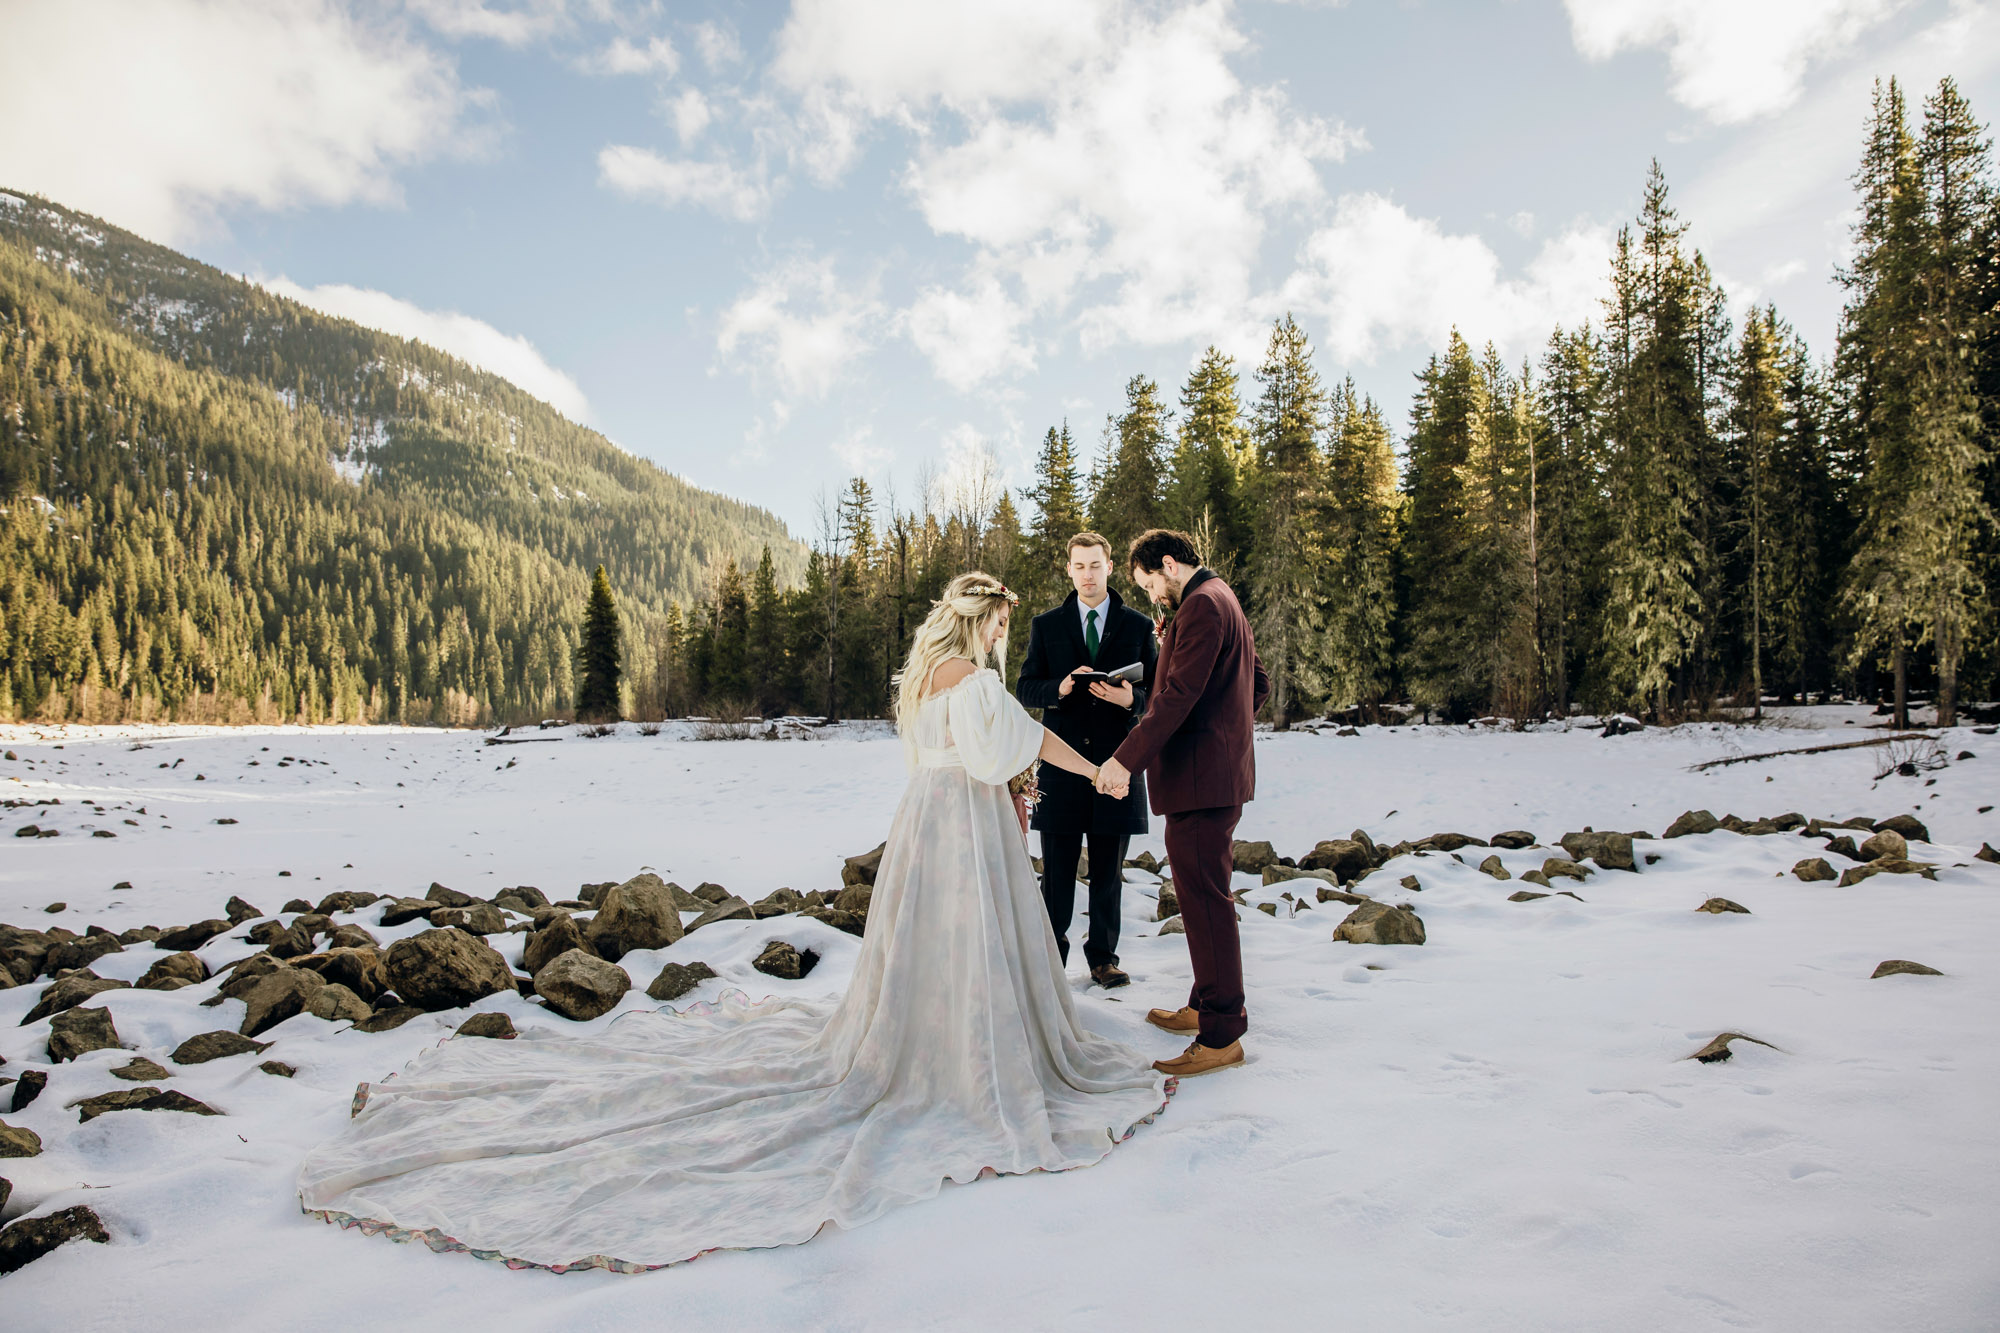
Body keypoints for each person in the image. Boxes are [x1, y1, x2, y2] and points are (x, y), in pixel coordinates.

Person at [296, 573, 1169, 1274]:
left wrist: (1018, 768)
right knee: (973, 937)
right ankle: (974, 1054)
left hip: (922, 821)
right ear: (984, 625)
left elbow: (957, 749)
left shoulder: (918, 684)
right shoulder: (978, 681)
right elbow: (1012, 743)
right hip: (967, 824)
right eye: (999, 627)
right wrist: (1088, 769)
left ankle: (924, 1037)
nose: (1000, 640)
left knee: (919, 945)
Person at [1095, 530, 1268, 1080]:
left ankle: (1221, 1033)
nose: (1152, 597)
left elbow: (1177, 697)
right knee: (1199, 899)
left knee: (1208, 902)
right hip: (1213, 775)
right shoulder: (1223, 598)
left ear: (1169, 565)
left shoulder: (1200, 606)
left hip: (1202, 782)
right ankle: (1204, 1002)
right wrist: (1226, 728)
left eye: (1149, 584)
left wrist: (1125, 760)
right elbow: (1255, 683)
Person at [1016, 532, 1158, 989]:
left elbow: (1158, 695)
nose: (1087, 575)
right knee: (1055, 872)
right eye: (1079, 566)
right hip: (1060, 767)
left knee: (1108, 874)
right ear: (1069, 569)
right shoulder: (1046, 625)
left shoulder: (1137, 626)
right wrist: (1057, 688)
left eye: (1095, 565)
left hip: (1118, 763)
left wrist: (1128, 699)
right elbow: (1025, 688)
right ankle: (1050, 955)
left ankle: (1103, 959)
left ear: (1109, 567)